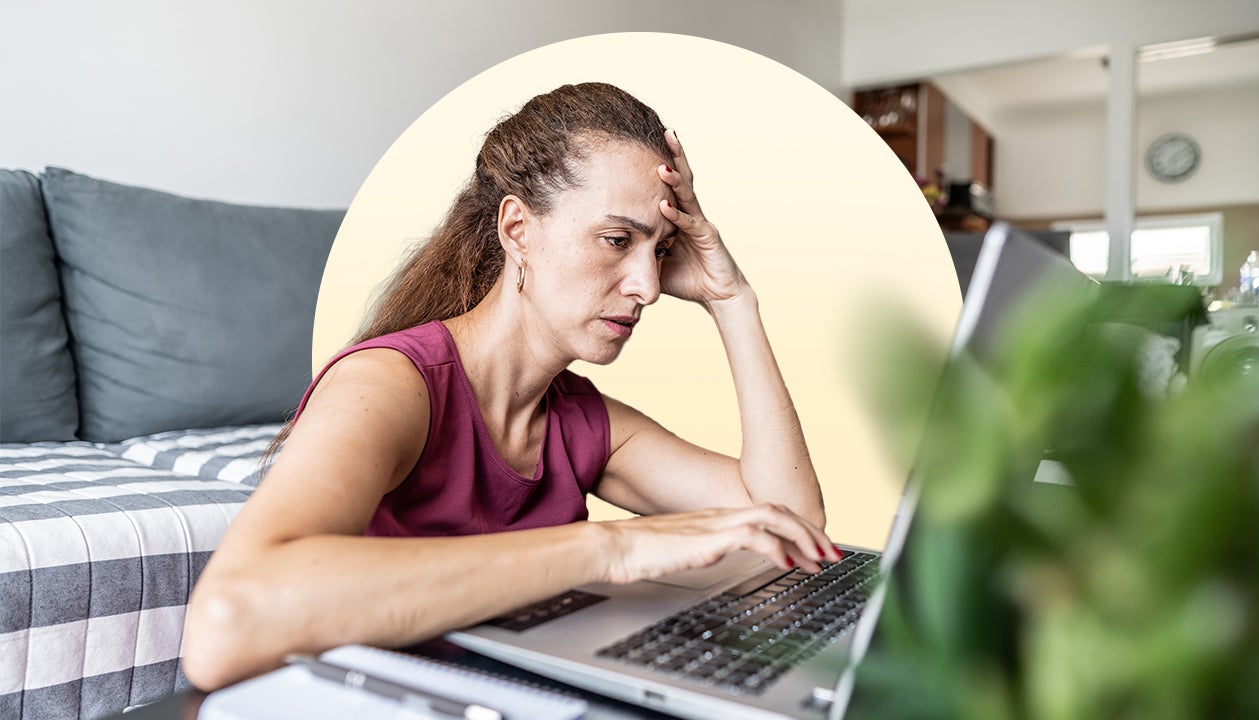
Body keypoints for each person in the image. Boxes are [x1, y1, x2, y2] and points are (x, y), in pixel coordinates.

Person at [182, 82, 837, 690]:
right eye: (616, 239)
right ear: (518, 228)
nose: (648, 286)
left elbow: (793, 525)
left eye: (661, 250)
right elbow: (224, 625)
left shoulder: (582, 422)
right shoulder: (391, 386)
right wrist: (609, 546)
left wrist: (733, 300)